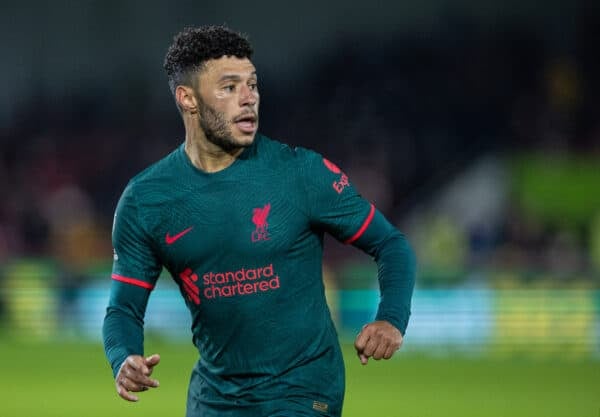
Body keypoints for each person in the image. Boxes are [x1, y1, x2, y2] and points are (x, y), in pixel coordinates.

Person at [102, 25, 416, 417]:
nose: (248, 98)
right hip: (214, 397)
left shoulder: (300, 173)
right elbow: (123, 310)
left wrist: (391, 319)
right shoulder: (146, 200)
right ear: (188, 99)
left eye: (252, 84)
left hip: (303, 390)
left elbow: (391, 245)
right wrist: (124, 358)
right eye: (229, 87)